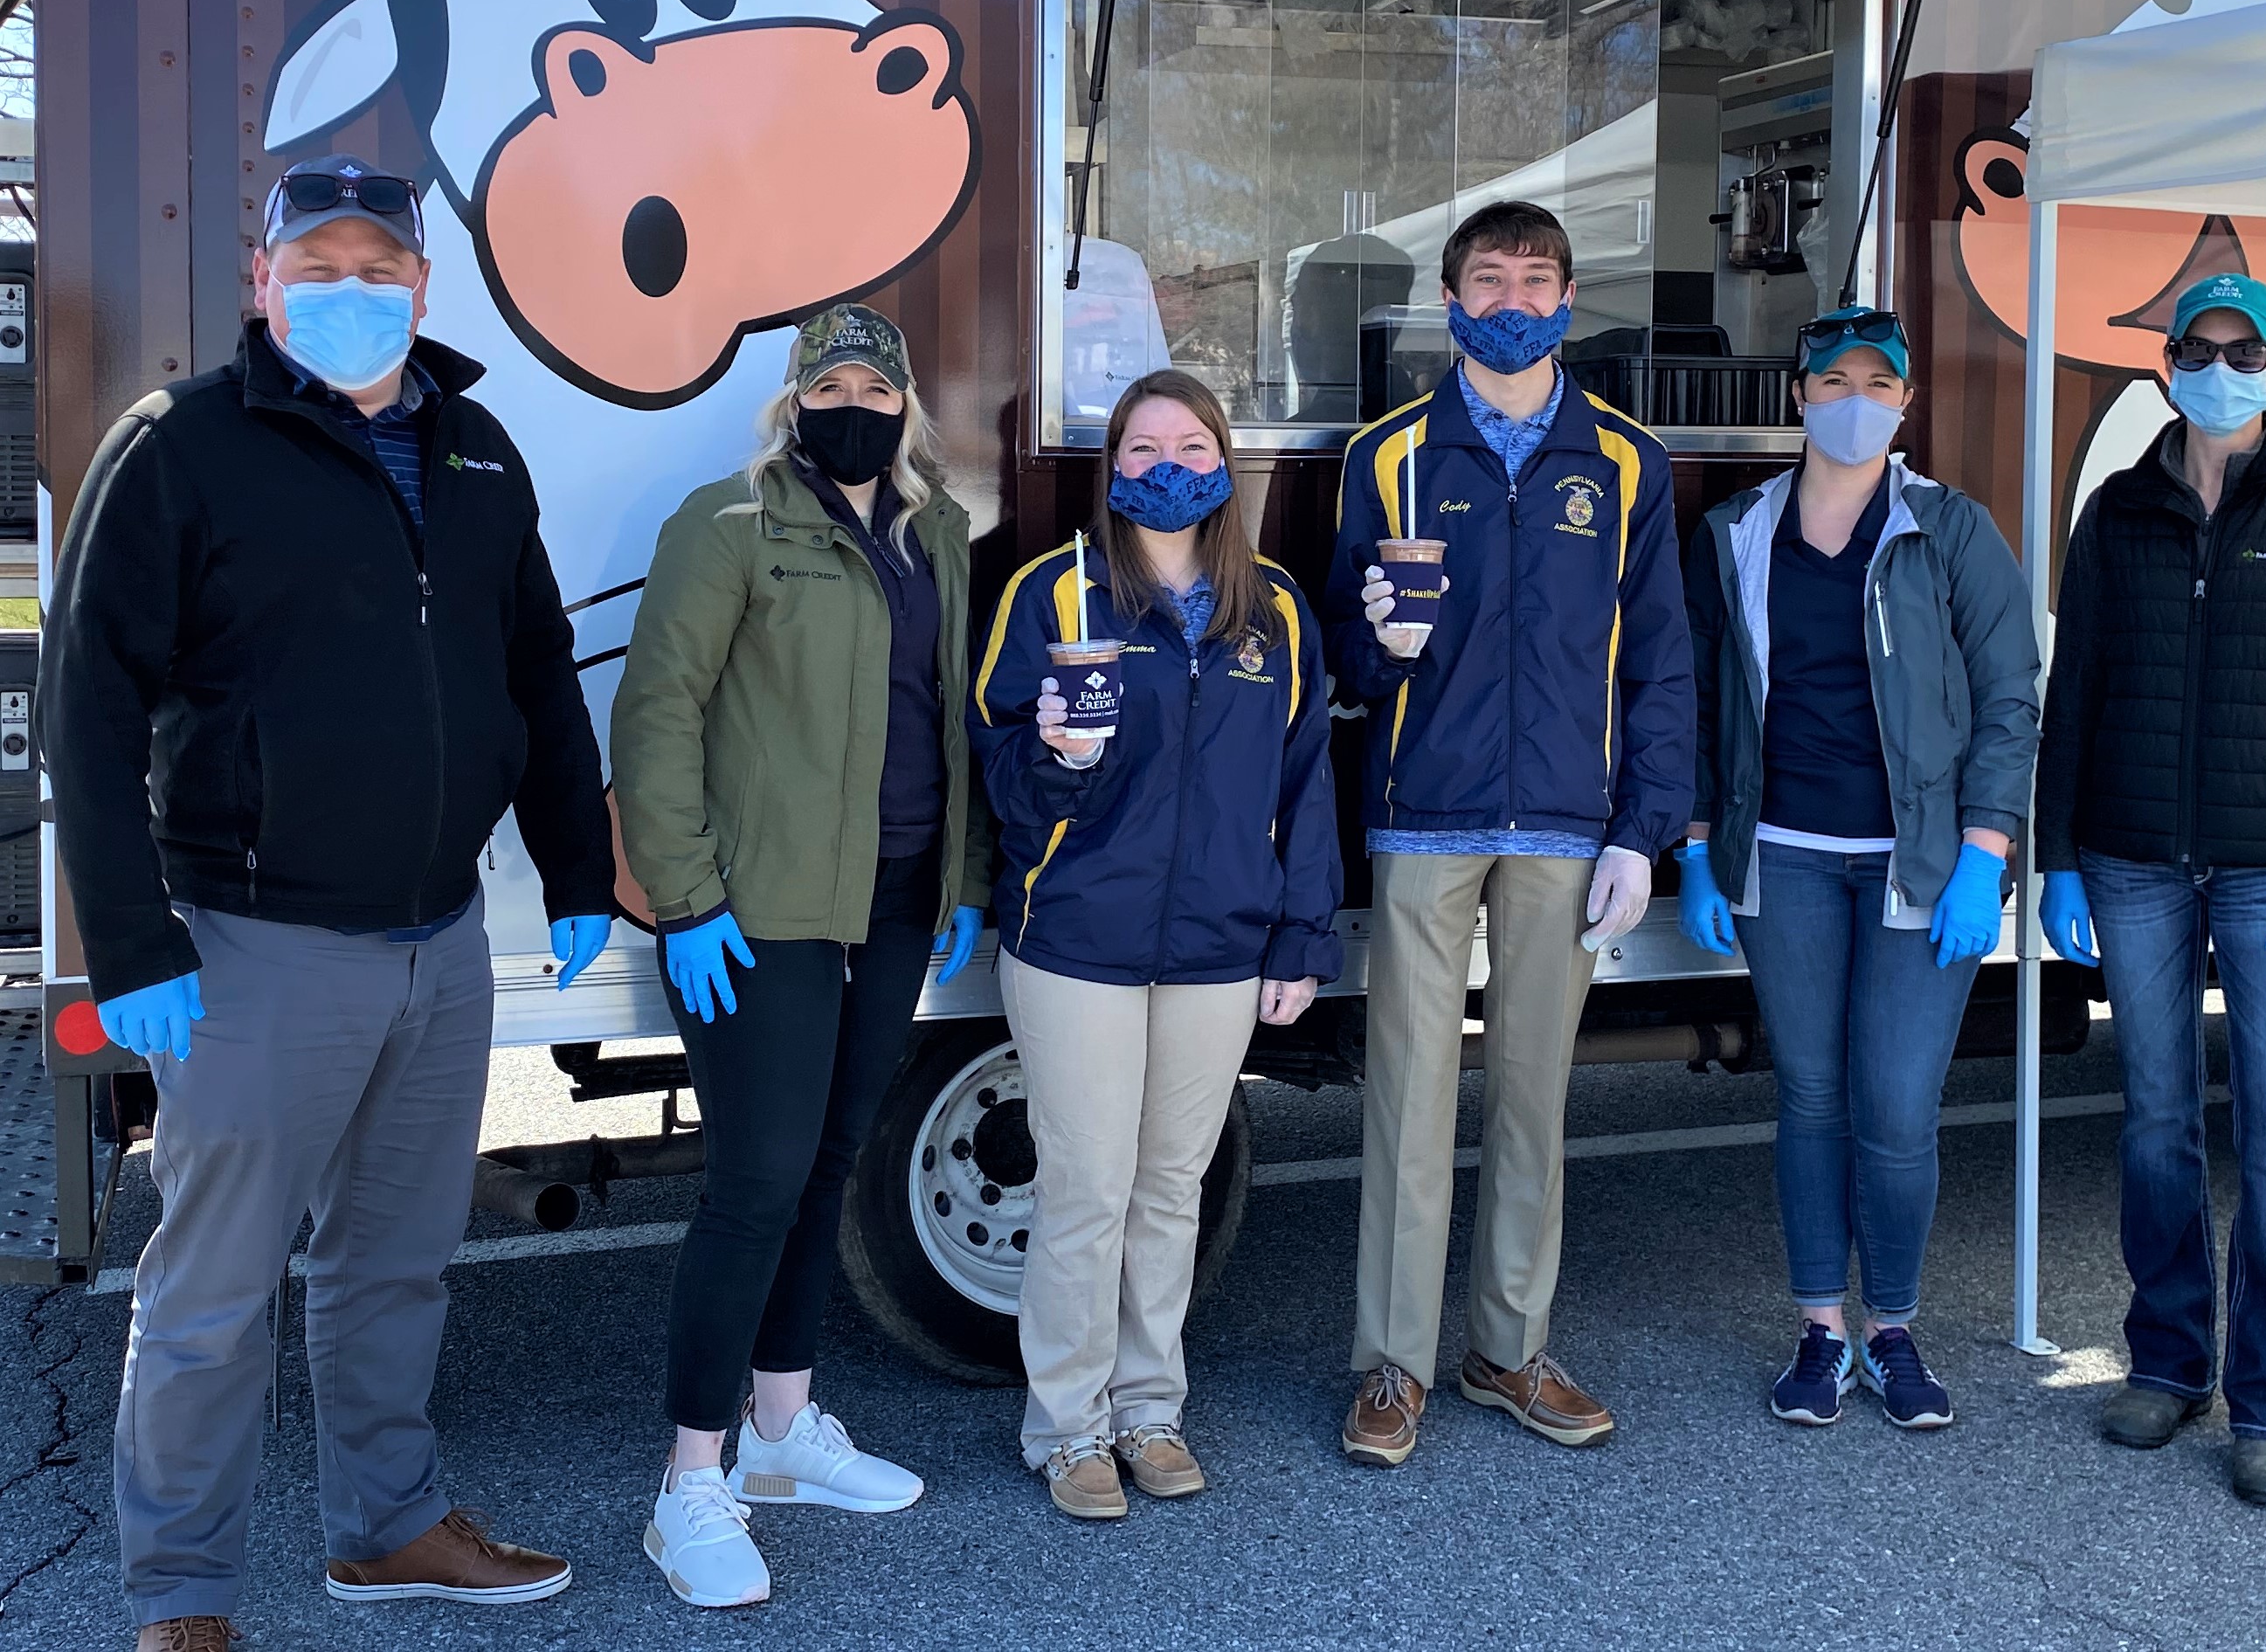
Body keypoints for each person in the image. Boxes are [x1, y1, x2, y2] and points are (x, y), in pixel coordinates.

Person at [43, 156, 613, 1651]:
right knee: (212, 1289)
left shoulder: (479, 449)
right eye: (320, 265)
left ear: (425, 286)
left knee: (396, 1262)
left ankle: (388, 1526)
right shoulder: (180, 446)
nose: (350, 292)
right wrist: (134, 936)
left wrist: (572, 863)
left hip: (440, 936)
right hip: (253, 947)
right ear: (263, 280)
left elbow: (537, 668)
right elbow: (86, 706)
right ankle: (183, 1592)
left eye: (378, 267)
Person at [611, 304, 993, 1608]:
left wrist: (958, 875)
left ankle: (781, 1436)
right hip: (756, 909)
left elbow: (949, 721)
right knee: (755, 1180)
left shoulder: (936, 531)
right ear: (793, 400)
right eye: (826, 382)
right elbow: (655, 711)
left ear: (903, 404)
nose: (852, 403)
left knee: (830, 1160)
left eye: (872, 384)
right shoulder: (730, 526)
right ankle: (689, 1484)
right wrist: (688, 898)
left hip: (890, 903)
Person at [1323, 200, 1692, 1468]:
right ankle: (1393, 1361)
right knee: (1410, 1104)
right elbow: (1343, 660)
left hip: (1567, 827)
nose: (1515, 298)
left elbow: (1662, 664)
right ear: (1450, 295)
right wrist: (1382, 639)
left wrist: (1644, 832)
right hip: (1424, 815)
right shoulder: (1388, 455)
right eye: (1491, 278)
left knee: (1532, 1096)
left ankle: (1508, 1346)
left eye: (1537, 278)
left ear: (1570, 295)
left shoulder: (1628, 461)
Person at [2034, 272, 2266, 1513]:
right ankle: (2170, 1361)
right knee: (2154, 1124)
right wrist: (2061, 850)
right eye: (2202, 347)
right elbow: (2071, 689)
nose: (2225, 367)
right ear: (2165, 366)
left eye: (2248, 349)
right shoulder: (2117, 512)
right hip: (2133, 859)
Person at [972, 369, 1339, 1519]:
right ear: (1110, 468)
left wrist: (1300, 936)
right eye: (1140, 447)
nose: (1164, 464)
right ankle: (1068, 1429)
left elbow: (1304, 780)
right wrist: (1049, 758)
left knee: (1172, 1185)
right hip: (1076, 936)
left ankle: (1150, 1410)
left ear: (1225, 463)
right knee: (1086, 1185)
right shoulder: (1056, 593)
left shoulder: (1272, 610)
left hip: (1221, 948)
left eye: (1189, 442)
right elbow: (995, 770)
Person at [1680, 306, 2039, 1431]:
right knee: (1813, 1099)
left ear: (1905, 403)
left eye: (1877, 384)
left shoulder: (1952, 531)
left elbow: (2010, 699)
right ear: (1797, 395)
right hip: (1784, 858)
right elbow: (1697, 701)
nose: (1855, 399)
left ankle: (1894, 1328)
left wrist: (1986, 852)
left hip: (1917, 862)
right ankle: (1821, 1334)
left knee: (1895, 1107)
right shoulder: (1737, 532)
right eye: (1833, 379)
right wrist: (1698, 849)